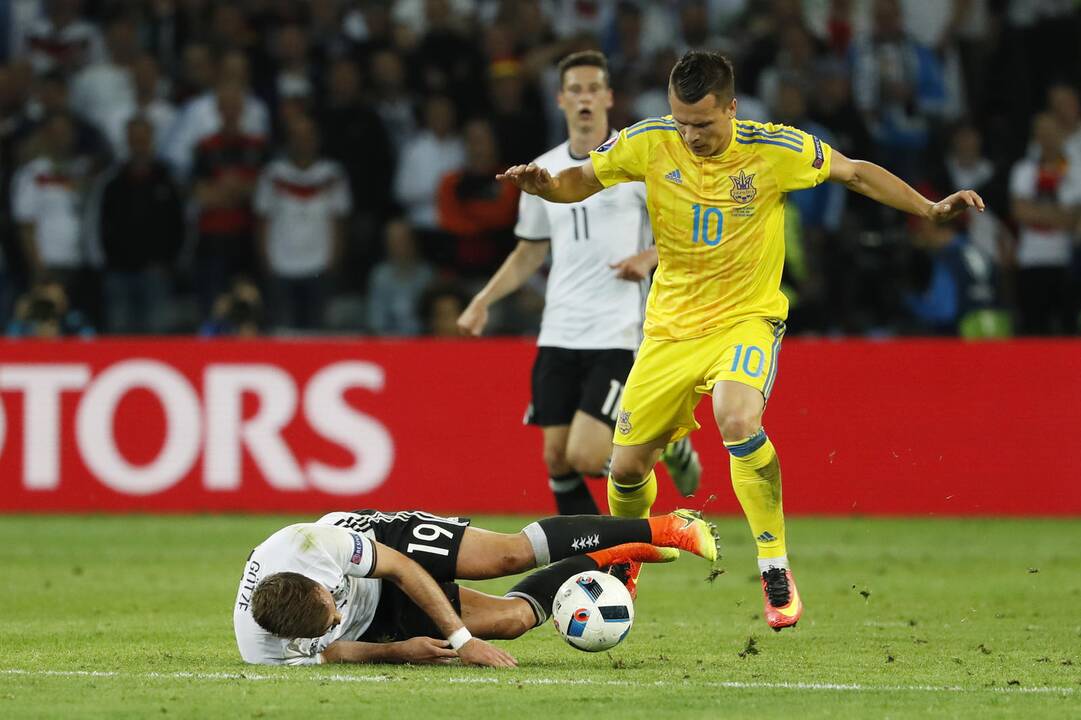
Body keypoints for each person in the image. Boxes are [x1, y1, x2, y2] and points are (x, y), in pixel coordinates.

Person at [498, 50, 983, 631]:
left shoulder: (775, 149)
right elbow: (579, 180)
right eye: (681, 121)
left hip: (745, 320)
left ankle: (774, 566)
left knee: (737, 418)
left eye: (702, 123)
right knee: (625, 468)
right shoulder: (649, 141)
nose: (691, 135)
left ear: (731, 107)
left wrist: (928, 209)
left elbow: (854, 171)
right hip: (670, 330)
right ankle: (626, 560)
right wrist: (544, 187)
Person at [458, 51, 702, 526]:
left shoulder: (635, 162)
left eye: (594, 89)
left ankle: (662, 452)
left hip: (618, 331)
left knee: (589, 455)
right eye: (576, 90)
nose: (585, 98)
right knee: (556, 459)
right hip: (559, 331)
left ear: (609, 97)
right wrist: (483, 300)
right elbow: (530, 251)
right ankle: (597, 552)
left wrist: (647, 257)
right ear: (561, 100)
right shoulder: (544, 172)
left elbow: (685, 231)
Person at [234, 507, 717, 666]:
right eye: (329, 624)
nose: (336, 618)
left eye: (330, 608)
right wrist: (400, 650)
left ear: (318, 586)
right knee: (511, 621)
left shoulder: (310, 545)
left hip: (383, 547)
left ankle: (665, 527)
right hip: (377, 618)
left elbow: (402, 569)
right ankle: (616, 555)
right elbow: (333, 653)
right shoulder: (264, 652)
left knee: (506, 555)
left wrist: (462, 641)